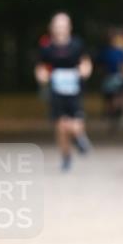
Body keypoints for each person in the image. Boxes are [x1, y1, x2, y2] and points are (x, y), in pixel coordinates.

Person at [34, 12, 93, 171]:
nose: (60, 29)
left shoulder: (77, 44)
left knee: (76, 124)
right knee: (61, 126)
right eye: (57, 25)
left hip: (74, 90)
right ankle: (66, 156)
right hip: (56, 92)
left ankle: (79, 138)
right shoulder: (47, 48)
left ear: (69, 27)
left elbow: (86, 63)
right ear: (52, 28)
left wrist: (85, 71)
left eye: (63, 25)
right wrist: (42, 76)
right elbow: (40, 68)